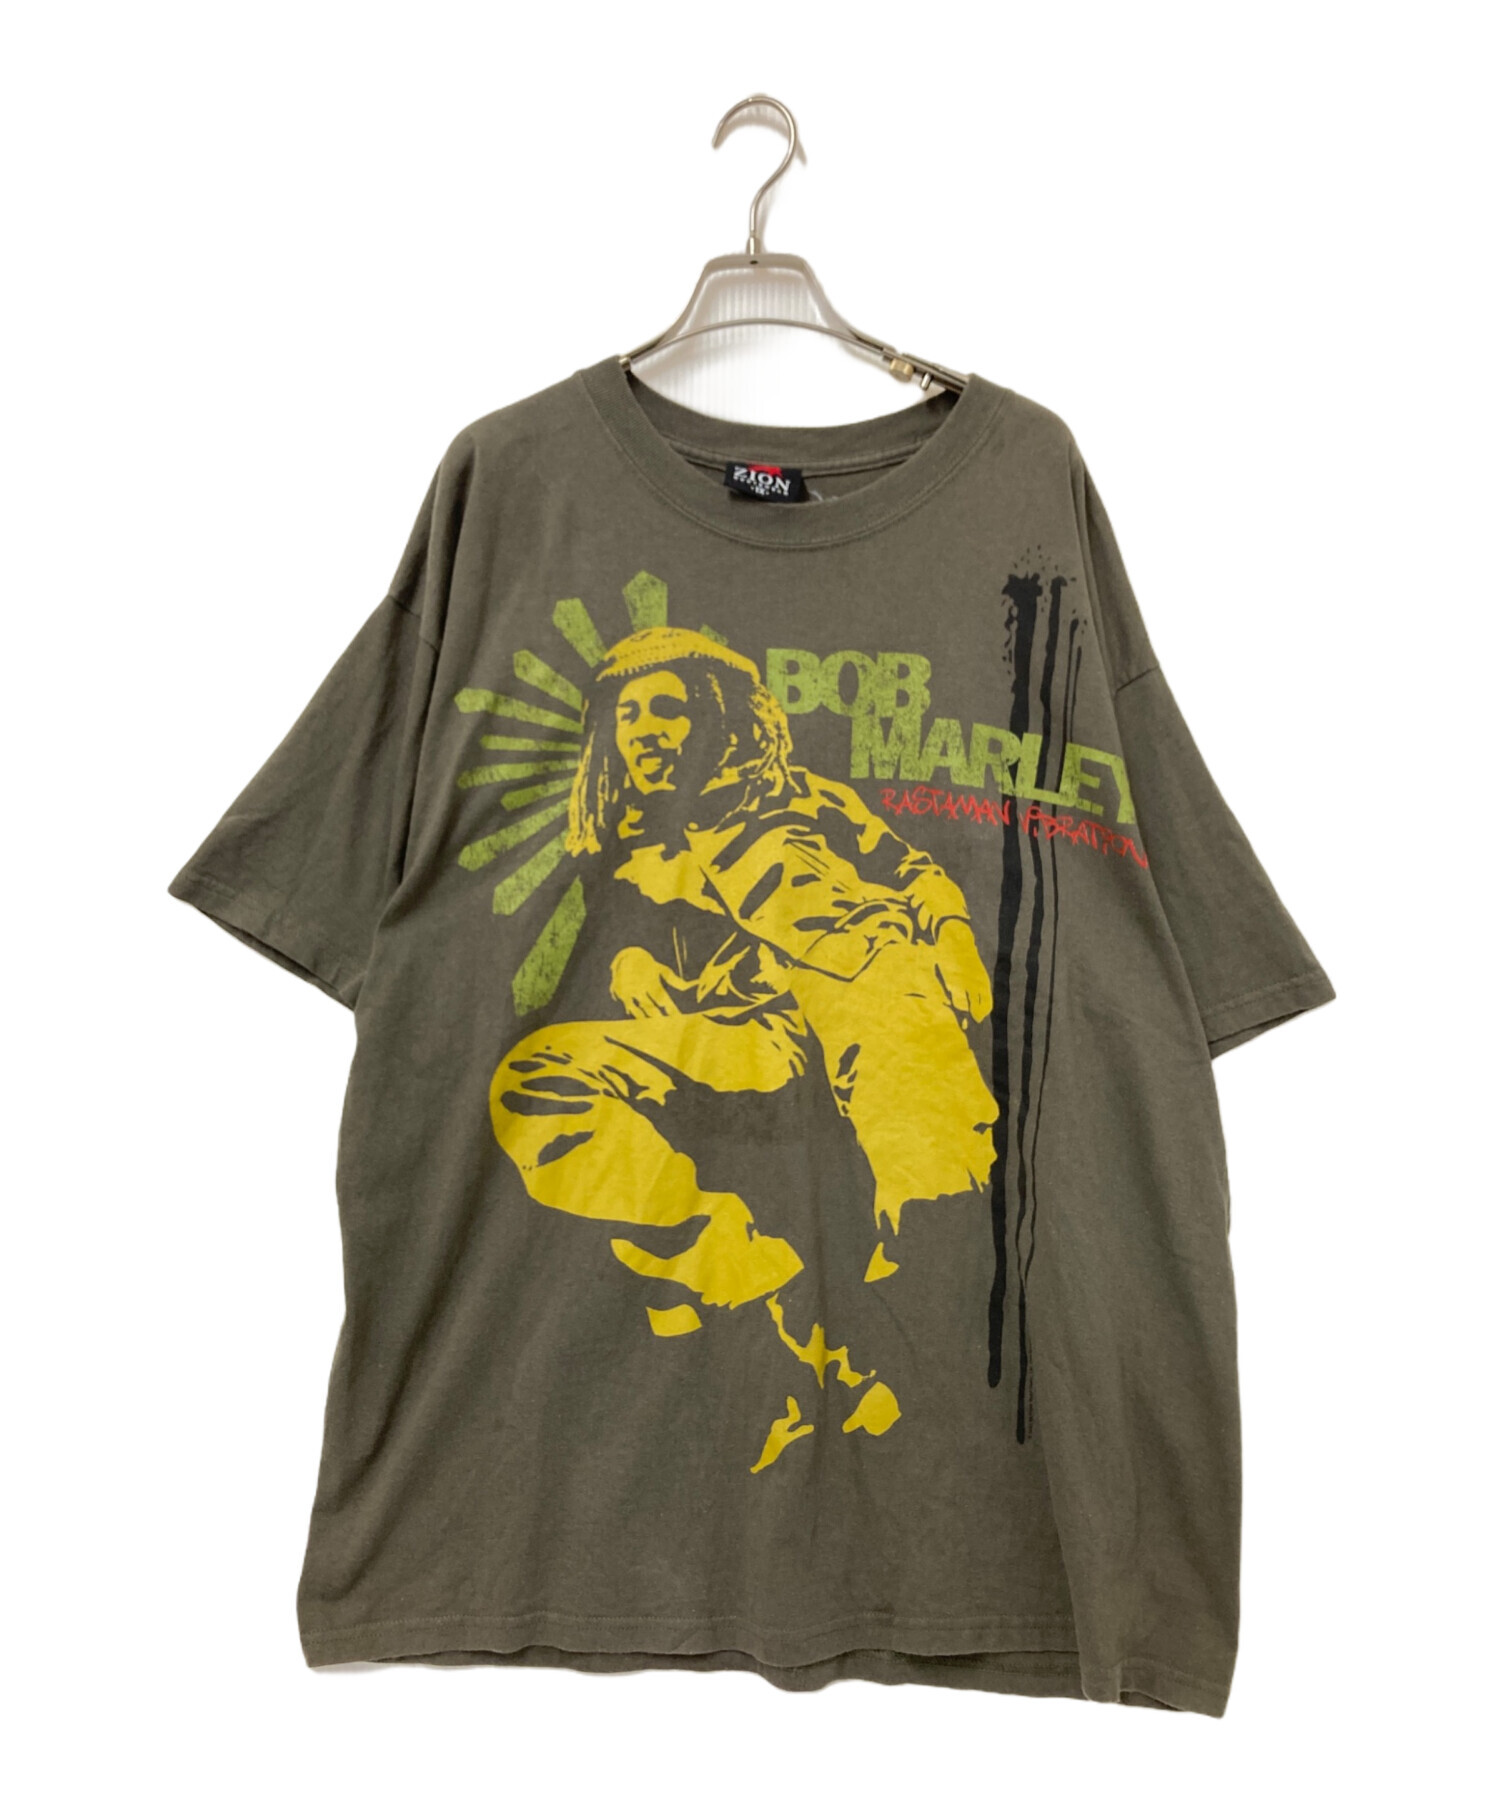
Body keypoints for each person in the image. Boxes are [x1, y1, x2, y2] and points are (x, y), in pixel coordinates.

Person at [489, 627, 999, 1469]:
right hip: (750, 1031)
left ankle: (913, 1366)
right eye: (628, 716)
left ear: (718, 716)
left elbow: (913, 869)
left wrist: (951, 938)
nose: (645, 730)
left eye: (668, 709)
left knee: (935, 1196)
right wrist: (629, 964)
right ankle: (747, 1268)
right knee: (538, 1080)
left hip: (865, 984)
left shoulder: (803, 796)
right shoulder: (627, 851)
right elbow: (636, 939)